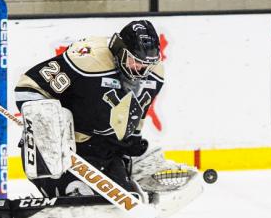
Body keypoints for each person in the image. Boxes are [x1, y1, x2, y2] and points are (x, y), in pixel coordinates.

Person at [14, 20, 164, 200]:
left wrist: (132, 147)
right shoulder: (88, 60)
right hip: (62, 153)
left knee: (128, 200)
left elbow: (137, 114)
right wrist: (44, 127)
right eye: (135, 61)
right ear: (119, 49)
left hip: (105, 151)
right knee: (79, 197)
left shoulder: (155, 73)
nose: (141, 70)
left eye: (146, 64)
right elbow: (29, 87)